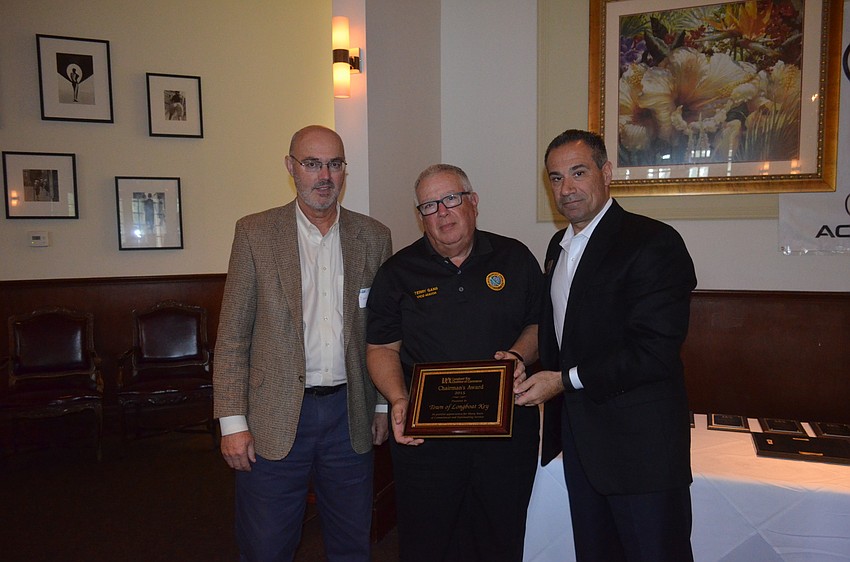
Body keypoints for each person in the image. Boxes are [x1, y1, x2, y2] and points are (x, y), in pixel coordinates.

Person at [515, 129, 697, 561]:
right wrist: (518, 360)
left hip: (642, 451)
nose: (567, 188)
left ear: (607, 172)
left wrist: (563, 381)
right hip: (584, 447)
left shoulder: (653, 242)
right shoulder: (557, 247)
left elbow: (653, 350)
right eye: (556, 178)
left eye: (578, 173)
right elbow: (559, 331)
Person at [213, 125, 393, 562]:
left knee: (352, 543)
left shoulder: (374, 237)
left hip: (350, 414)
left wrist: (383, 404)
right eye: (312, 164)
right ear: (291, 167)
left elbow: (384, 332)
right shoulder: (255, 233)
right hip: (272, 416)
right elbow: (233, 335)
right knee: (267, 544)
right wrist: (232, 422)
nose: (324, 175)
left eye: (334, 164)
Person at [366, 164, 543, 562]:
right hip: (427, 440)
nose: (442, 212)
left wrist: (517, 356)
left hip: (506, 433)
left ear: (473, 202)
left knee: (501, 537)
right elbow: (381, 349)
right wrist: (397, 398)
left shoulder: (514, 258)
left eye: (451, 199)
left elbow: (538, 324)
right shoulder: (397, 272)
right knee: (428, 541)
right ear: (420, 216)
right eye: (429, 205)